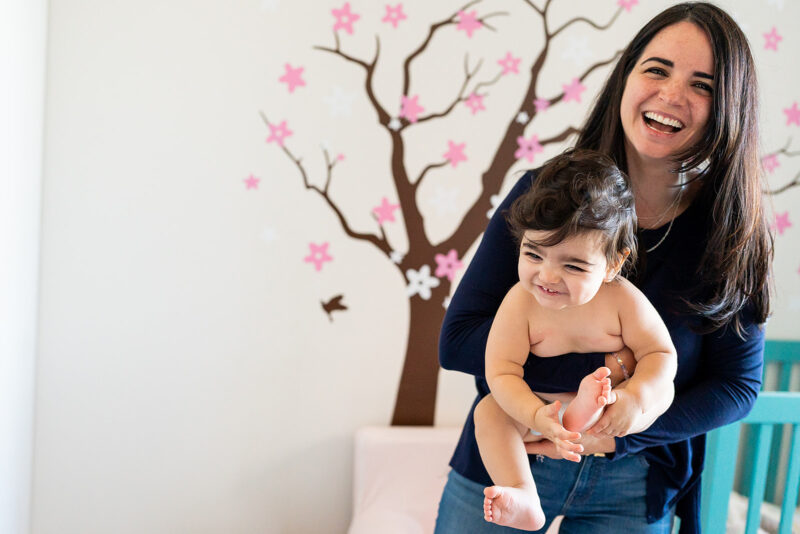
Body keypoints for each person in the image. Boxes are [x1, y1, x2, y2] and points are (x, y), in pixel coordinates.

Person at [434, 3, 772, 533]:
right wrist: (596, 373)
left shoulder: (731, 234)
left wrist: (616, 430)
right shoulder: (542, 197)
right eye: (656, 69)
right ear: (627, 77)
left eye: (702, 85)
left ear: (729, 107)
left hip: (637, 477)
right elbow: (458, 341)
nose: (670, 95)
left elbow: (735, 387)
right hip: (514, 455)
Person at [475, 150, 677, 531]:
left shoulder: (622, 300)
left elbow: (660, 352)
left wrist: (637, 396)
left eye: (572, 265)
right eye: (533, 253)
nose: (547, 276)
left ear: (614, 264)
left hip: (611, 408)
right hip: (542, 412)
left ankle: (589, 404)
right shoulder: (520, 303)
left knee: (662, 390)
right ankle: (523, 492)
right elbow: (501, 371)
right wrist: (536, 415)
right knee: (489, 412)